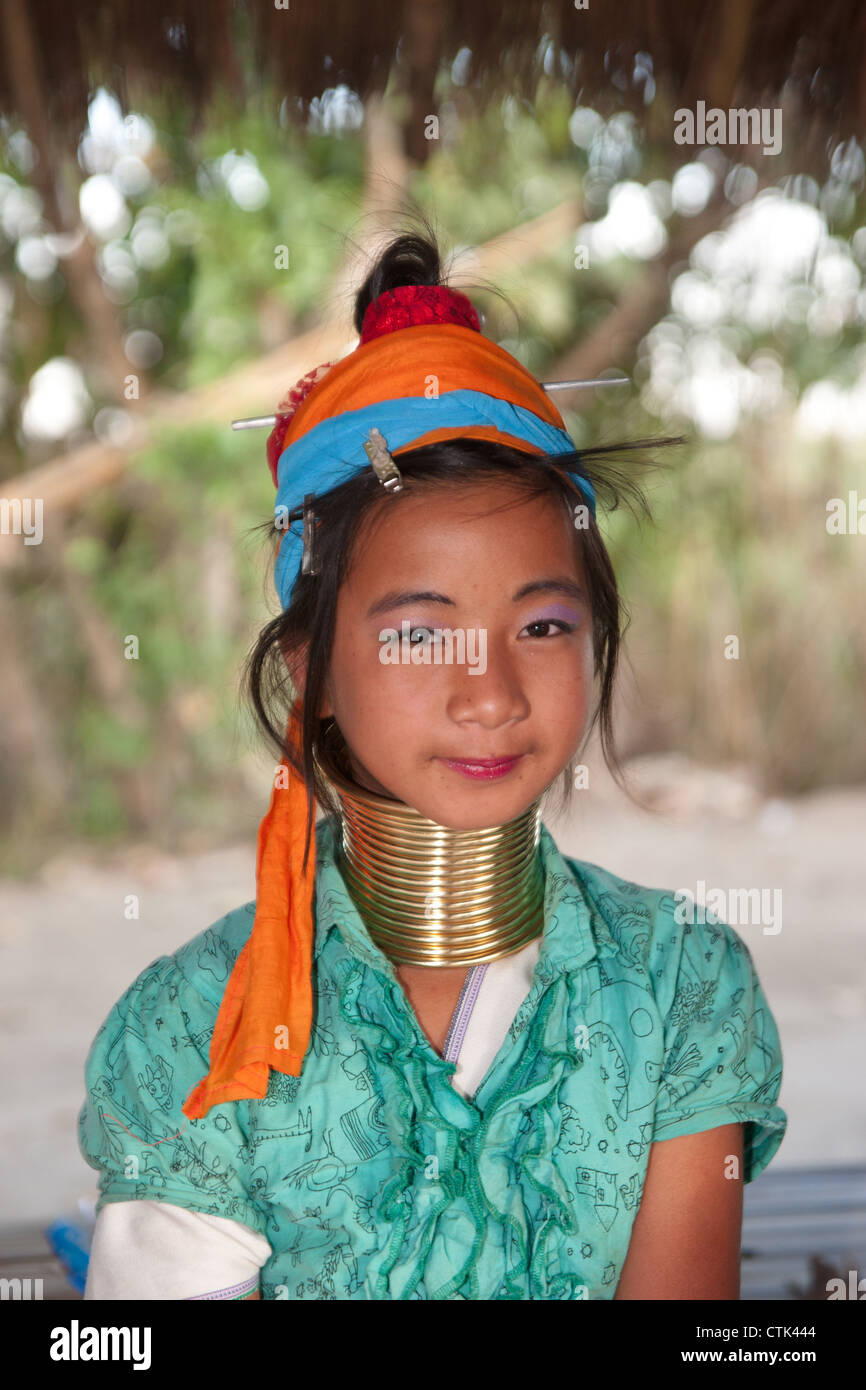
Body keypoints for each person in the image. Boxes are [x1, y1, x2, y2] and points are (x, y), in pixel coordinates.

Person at [78, 229, 787, 1300]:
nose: (491, 692)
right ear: (311, 667)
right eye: (417, 632)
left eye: (542, 626)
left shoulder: (680, 986)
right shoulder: (196, 1034)